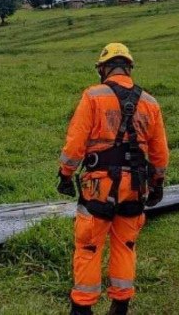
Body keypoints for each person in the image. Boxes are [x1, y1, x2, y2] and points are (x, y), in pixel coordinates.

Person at [57, 43, 169, 315]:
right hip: (134, 188)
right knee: (125, 245)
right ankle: (120, 305)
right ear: (128, 68)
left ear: (103, 69)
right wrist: (157, 184)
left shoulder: (93, 96)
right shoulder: (150, 103)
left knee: (89, 246)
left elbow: (75, 142)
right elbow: (159, 152)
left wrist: (65, 175)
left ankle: (82, 309)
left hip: (99, 187)